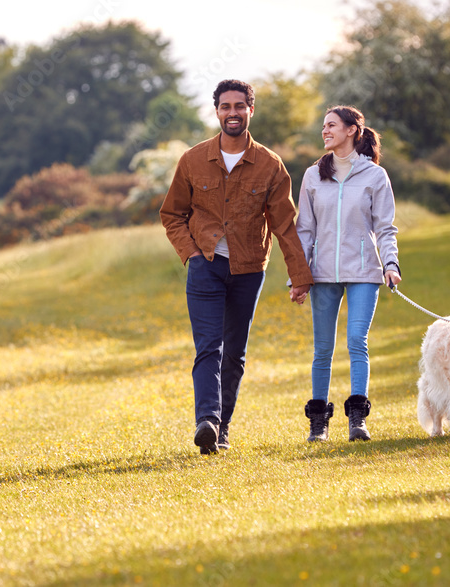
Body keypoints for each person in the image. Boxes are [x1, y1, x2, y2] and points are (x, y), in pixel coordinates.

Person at [160, 79, 313, 455]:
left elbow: (284, 225)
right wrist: (192, 254)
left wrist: (299, 276)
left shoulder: (270, 165)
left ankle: (222, 427)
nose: (232, 113)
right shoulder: (193, 160)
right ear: (216, 112)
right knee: (208, 346)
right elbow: (172, 214)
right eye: (225, 106)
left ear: (250, 111)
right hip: (205, 266)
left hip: (248, 270)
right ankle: (207, 421)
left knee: (235, 352)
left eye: (239, 106)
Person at [296, 105, 401, 442]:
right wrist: (298, 276)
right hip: (322, 273)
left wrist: (391, 264)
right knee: (322, 349)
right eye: (324, 126)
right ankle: (319, 424)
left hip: (364, 272)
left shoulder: (375, 176)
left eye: (331, 125)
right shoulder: (313, 175)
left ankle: (358, 420)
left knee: (357, 341)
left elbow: (385, 228)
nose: (325, 131)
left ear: (352, 130)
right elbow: (304, 231)